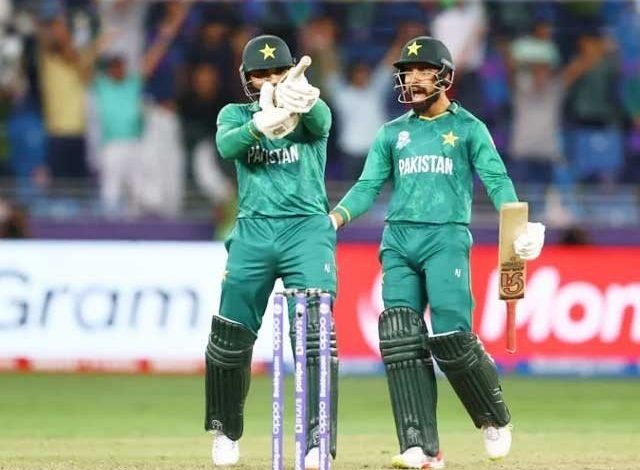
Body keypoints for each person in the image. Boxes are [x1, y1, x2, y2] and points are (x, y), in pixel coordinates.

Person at [328, 36, 545, 469]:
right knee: (400, 340)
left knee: (451, 338)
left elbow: (496, 180)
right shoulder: (392, 133)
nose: (412, 78)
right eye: (406, 72)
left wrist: (519, 224)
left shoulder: (468, 128)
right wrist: (333, 218)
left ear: (444, 76)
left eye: (422, 70)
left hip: (446, 238)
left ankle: (493, 417)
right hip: (398, 241)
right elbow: (368, 186)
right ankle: (420, 446)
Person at [204, 34, 338, 469]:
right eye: (261, 74)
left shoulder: (309, 107)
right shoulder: (234, 114)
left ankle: (318, 440)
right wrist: (258, 125)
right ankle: (226, 431)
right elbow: (226, 146)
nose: (272, 79)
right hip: (253, 230)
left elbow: (322, 122)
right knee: (230, 337)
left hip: (305, 230)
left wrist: (303, 100)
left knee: (313, 335)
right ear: (247, 78)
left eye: (279, 71)